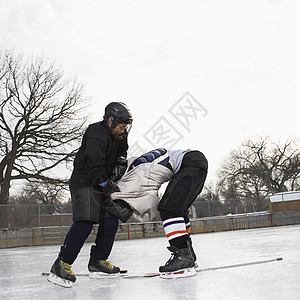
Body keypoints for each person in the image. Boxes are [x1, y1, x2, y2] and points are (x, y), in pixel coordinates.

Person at [47, 102, 133, 288]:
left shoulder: (120, 135)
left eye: (126, 126)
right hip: (85, 182)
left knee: (111, 219)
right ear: (110, 120)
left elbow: (122, 151)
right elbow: (93, 168)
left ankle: (98, 261)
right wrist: (107, 188)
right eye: (121, 125)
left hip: (103, 181)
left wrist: (120, 162)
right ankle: (61, 264)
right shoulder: (96, 133)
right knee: (85, 222)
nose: (123, 129)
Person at [106, 148, 208, 278]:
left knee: (168, 209)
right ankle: (188, 252)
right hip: (194, 160)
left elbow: (150, 207)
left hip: (190, 163)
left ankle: (183, 256)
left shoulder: (134, 175)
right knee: (178, 210)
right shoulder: (133, 165)